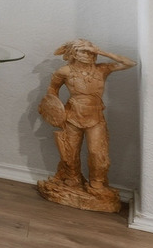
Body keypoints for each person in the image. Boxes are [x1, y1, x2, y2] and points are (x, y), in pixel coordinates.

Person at [37, 39, 135, 212]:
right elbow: (52, 90)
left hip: (95, 116)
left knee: (97, 152)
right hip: (72, 115)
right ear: (74, 53)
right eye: (83, 51)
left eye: (91, 52)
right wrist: (55, 110)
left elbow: (129, 63)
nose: (88, 55)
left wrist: (102, 52)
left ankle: (97, 183)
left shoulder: (102, 69)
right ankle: (72, 179)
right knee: (70, 152)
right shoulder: (64, 71)